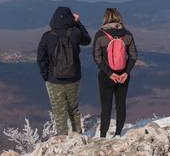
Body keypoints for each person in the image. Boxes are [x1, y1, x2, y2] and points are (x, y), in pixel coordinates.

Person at [37, 7, 91, 136]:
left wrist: (46, 76)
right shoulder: (75, 33)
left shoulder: (47, 36)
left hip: (53, 80)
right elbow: (87, 40)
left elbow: (41, 58)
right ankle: (77, 135)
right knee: (73, 108)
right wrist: (78, 22)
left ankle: (62, 137)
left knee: (58, 110)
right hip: (74, 77)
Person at [93, 8, 137, 138]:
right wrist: (126, 72)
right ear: (119, 18)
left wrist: (109, 73)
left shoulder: (100, 35)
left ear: (105, 18)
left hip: (106, 76)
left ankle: (102, 135)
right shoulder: (127, 34)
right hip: (123, 75)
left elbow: (97, 57)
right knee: (121, 104)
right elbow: (133, 56)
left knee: (106, 106)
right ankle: (118, 134)